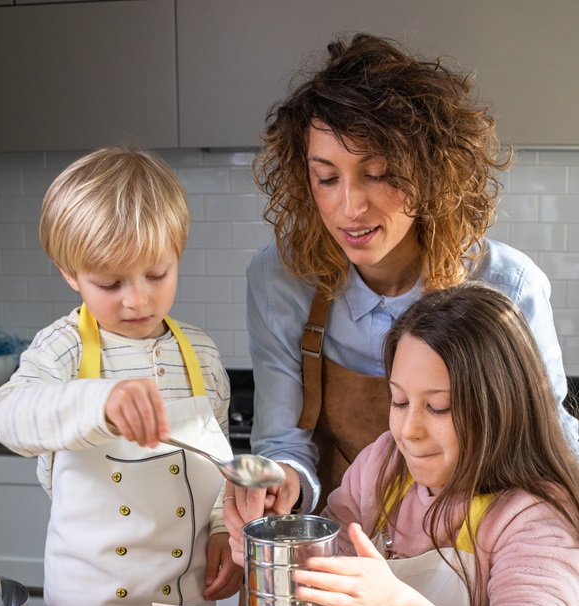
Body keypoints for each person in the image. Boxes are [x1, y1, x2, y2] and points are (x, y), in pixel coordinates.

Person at [227, 32, 577, 529]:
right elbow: (283, 443)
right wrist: (275, 480)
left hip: (471, 548)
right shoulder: (279, 279)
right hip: (343, 540)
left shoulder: (507, 285)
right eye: (327, 178)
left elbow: (551, 443)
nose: (350, 207)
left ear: (431, 173)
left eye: (378, 173)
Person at [0, 148, 243, 606]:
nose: (137, 299)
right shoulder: (63, 348)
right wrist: (98, 404)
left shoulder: (200, 354)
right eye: (110, 282)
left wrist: (221, 529)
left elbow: (220, 460)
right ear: (70, 273)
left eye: (157, 274)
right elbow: (7, 416)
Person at [279, 284, 578, 606]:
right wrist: (268, 548)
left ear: (500, 407)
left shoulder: (535, 520)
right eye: (399, 401)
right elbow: (322, 580)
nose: (409, 431)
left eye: (438, 407)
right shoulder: (383, 466)